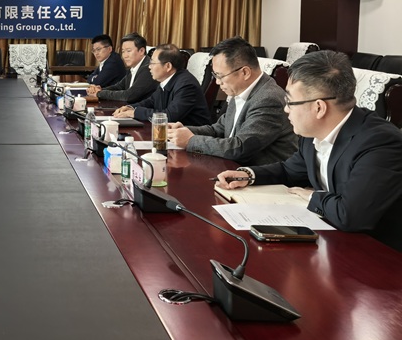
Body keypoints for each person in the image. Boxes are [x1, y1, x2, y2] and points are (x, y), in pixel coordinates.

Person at [216, 50, 402, 252]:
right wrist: (248, 175)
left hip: (378, 254)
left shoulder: (379, 143)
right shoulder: (311, 133)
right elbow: (289, 171)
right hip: (331, 239)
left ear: (319, 108)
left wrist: (312, 196)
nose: (286, 109)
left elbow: (350, 215)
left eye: (290, 102)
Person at [167, 37, 297, 165]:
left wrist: (191, 141)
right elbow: (219, 129)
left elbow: (240, 148)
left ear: (245, 72)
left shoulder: (268, 99)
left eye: (220, 76)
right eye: (215, 75)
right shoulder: (241, 90)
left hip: (262, 174)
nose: (217, 82)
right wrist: (183, 131)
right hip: (234, 168)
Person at [113, 44, 211, 126]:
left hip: (191, 136)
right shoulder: (167, 79)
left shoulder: (186, 85)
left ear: (168, 66)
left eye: (152, 63)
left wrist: (135, 113)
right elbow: (151, 101)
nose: (149, 67)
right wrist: (131, 107)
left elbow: (169, 116)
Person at [85, 32, 156, 104]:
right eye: (123, 51)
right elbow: (119, 86)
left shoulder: (148, 69)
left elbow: (128, 96)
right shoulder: (133, 67)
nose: (125, 56)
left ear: (141, 51)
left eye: (128, 51)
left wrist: (99, 93)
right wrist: (99, 89)